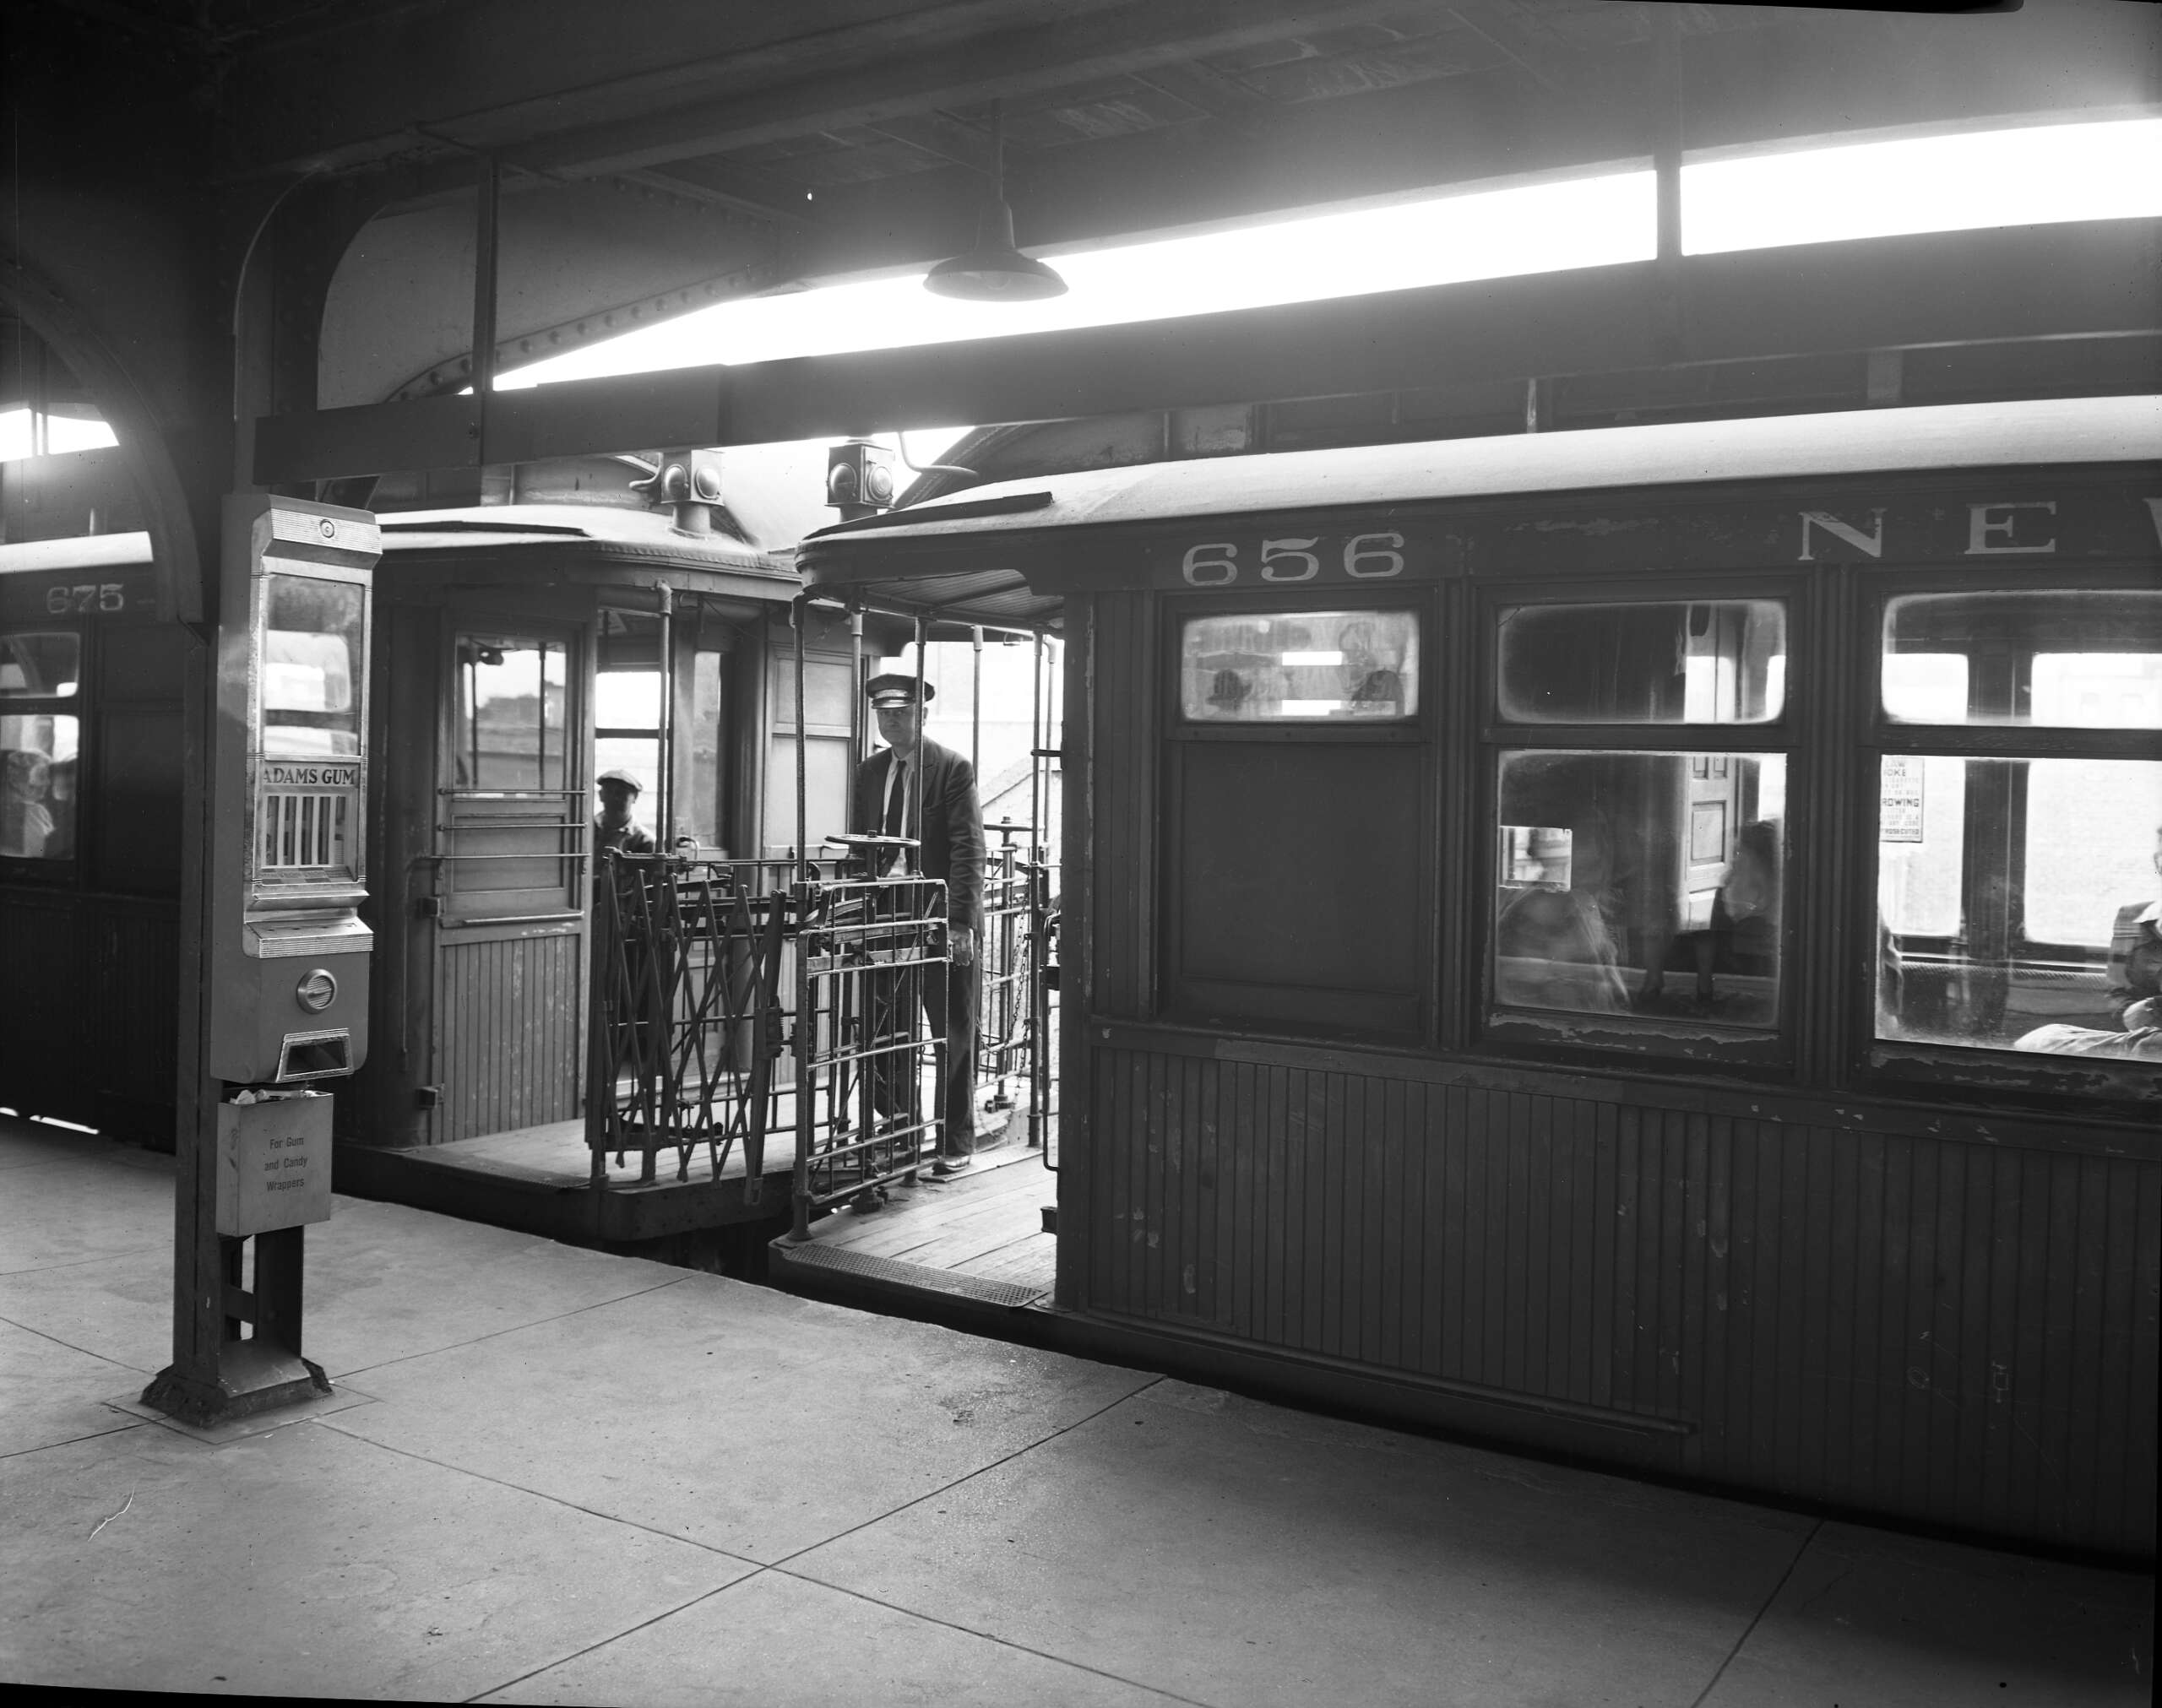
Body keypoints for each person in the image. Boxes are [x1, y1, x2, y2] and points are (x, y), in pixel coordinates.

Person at [849, 673, 984, 1173]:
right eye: (883, 714)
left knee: (950, 1028)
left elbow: (969, 847)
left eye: (900, 713)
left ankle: (955, 1142)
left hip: (935, 915)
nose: (890, 721)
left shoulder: (950, 767)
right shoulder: (869, 770)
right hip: (885, 913)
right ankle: (901, 1127)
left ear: (922, 716)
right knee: (887, 1023)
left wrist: (961, 924)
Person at [2104, 824, 2162, 1027]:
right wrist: (2127, 1012)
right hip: (2139, 1035)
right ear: (2158, 862)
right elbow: (2115, 991)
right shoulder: (2129, 917)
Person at [593, 768, 656, 856]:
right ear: (600, 795)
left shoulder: (644, 841)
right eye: (609, 791)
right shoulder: (587, 830)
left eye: (621, 793)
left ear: (635, 797)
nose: (614, 798)